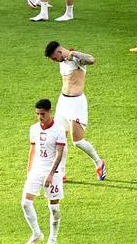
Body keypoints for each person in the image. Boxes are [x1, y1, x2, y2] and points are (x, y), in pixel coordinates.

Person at [44, 41, 105, 179]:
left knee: (77, 141)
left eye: (54, 58)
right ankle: (62, 172)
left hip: (76, 104)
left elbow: (91, 59)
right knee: (59, 138)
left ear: (59, 52)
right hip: (63, 102)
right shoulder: (62, 61)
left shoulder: (77, 59)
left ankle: (99, 162)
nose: (54, 61)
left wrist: (74, 54)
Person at [22, 99, 67, 244]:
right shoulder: (33, 129)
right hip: (36, 169)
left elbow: (59, 154)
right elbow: (32, 151)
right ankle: (36, 233)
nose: (40, 117)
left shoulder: (58, 130)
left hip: (52, 171)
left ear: (49, 112)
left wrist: (50, 174)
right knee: (25, 203)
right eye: (37, 114)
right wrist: (29, 171)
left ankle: (53, 238)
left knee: (53, 207)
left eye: (42, 114)